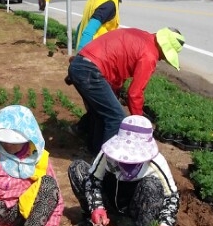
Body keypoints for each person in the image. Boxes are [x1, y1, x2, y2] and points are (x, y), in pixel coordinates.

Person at [65, 26, 185, 156]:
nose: (163, 59)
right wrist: (139, 124)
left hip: (82, 63)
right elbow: (135, 94)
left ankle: (93, 151)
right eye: (166, 55)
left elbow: (118, 65)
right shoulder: (149, 55)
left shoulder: (142, 36)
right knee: (116, 118)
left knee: (101, 113)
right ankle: (106, 162)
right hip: (90, 71)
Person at [68, 115, 180, 226]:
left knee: (152, 184)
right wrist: (96, 206)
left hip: (134, 209)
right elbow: (93, 180)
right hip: (109, 201)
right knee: (78, 168)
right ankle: (93, 218)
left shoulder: (156, 162)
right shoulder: (108, 154)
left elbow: (172, 197)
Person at [71, 0, 143, 144]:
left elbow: (81, 25)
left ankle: (90, 145)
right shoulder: (109, 2)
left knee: (97, 112)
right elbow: (88, 30)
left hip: (89, 61)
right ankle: (105, 159)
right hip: (94, 65)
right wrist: (81, 56)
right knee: (112, 115)